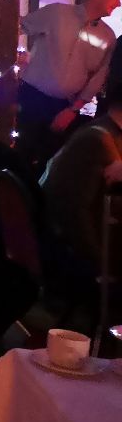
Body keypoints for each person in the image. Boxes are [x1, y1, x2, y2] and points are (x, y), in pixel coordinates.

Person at [16, 0, 120, 170]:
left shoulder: (108, 36)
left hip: (65, 106)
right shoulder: (57, 13)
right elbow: (20, 26)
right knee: (21, 153)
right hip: (31, 96)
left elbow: (98, 77)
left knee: (52, 160)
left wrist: (73, 110)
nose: (119, 3)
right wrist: (15, 56)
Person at [41, 90, 122, 324]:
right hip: (74, 254)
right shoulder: (100, 140)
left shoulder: (103, 131)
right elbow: (74, 214)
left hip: (70, 243)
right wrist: (101, 263)